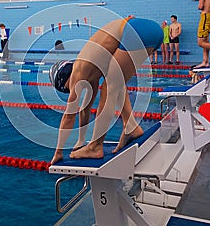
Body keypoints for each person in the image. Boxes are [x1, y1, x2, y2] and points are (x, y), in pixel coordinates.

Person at [49, 16, 163, 164]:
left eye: (67, 89)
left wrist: (58, 151)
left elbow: (69, 116)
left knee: (109, 88)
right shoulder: (91, 74)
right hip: (148, 30)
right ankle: (131, 126)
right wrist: (81, 140)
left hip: (135, 30)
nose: (71, 91)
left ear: (64, 80)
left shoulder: (78, 72)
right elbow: (85, 109)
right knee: (116, 82)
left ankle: (96, 147)